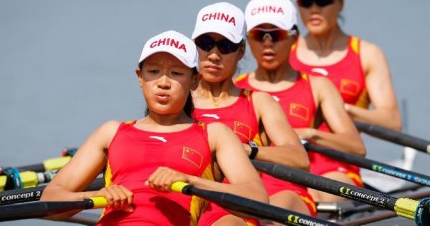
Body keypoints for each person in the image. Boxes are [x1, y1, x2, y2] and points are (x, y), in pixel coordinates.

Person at [40, 30, 268, 226]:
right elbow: (50, 199)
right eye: (153, 72)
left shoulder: (215, 134)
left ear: (194, 81)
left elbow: (257, 199)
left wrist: (191, 181)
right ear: (140, 77)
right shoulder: (110, 132)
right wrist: (97, 195)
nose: (163, 82)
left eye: (176, 73)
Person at [189, 2, 313, 225]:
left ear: (241, 51)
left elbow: (299, 158)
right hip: (191, 203)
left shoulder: (258, 101)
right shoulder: (179, 102)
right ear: (194, 46)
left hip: (240, 211)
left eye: (225, 46)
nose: (214, 55)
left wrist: (248, 150)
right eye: (206, 44)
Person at [235, 0, 363, 203]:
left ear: (294, 37)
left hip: (298, 186)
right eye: (259, 35)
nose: (268, 43)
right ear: (247, 40)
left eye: (276, 35)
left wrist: (309, 134)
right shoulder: (236, 88)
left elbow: (356, 147)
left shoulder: (318, 86)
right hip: (255, 183)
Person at [290, 0, 402, 132]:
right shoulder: (283, 52)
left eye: (322, 0)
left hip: (345, 157)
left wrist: (338, 108)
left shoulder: (367, 54)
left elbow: (392, 121)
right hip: (293, 158)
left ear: (340, 2)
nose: (314, 9)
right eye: (306, 2)